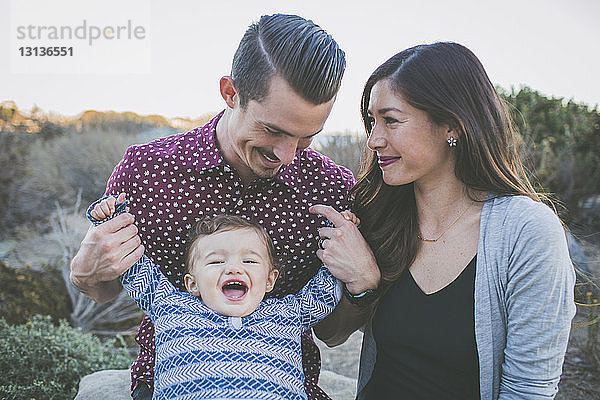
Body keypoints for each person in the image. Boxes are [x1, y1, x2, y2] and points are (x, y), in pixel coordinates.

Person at [69, 14, 379, 400]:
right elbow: (104, 289)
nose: (287, 155)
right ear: (230, 93)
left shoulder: (332, 190)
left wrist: (363, 284)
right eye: (273, 130)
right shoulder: (147, 171)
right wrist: (84, 273)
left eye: (307, 137)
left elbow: (331, 333)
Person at [311, 42, 575, 399]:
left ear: (452, 125)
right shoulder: (376, 214)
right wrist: (363, 285)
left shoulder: (526, 232)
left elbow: (529, 390)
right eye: (372, 121)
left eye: (391, 120)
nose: (373, 140)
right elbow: (329, 334)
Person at [87, 194, 348, 400]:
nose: (234, 268)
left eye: (249, 260)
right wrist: (111, 220)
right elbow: (134, 268)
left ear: (270, 280)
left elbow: (326, 288)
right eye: (216, 261)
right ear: (192, 284)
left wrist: (336, 236)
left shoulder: (288, 312)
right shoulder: (170, 305)